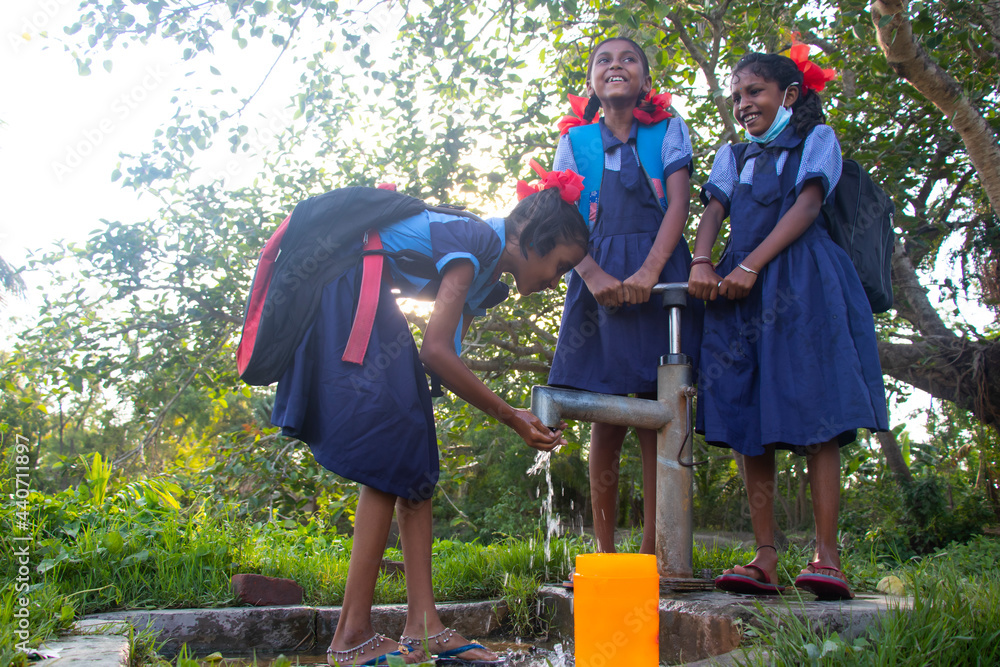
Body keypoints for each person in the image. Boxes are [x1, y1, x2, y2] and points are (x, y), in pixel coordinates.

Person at [271, 173, 589, 666]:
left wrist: (514, 414)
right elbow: (435, 350)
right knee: (386, 457)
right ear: (531, 242)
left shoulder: (485, 280)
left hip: (365, 294)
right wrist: (511, 417)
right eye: (558, 266)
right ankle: (351, 633)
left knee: (414, 460)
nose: (554, 282)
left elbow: (447, 359)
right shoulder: (478, 241)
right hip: (347, 288)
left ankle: (424, 626)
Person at [688, 48, 889, 600]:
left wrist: (754, 264)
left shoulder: (817, 141)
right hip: (738, 294)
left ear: (789, 95)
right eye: (736, 98)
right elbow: (712, 212)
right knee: (748, 416)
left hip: (802, 284)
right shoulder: (732, 155)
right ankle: (765, 557)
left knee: (819, 410)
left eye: (754, 92)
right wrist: (705, 262)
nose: (743, 105)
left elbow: (805, 208)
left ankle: (828, 556)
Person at [547, 36, 702, 560]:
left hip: (660, 282)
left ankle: (655, 552)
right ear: (591, 81)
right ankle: (605, 553)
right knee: (607, 417)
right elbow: (562, 222)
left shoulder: (667, 131)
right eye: (604, 60)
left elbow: (678, 205)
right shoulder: (574, 142)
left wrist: (649, 273)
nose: (616, 66)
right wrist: (591, 276)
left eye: (629, 58)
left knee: (661, 412)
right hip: (599, 284)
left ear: (645, 79)